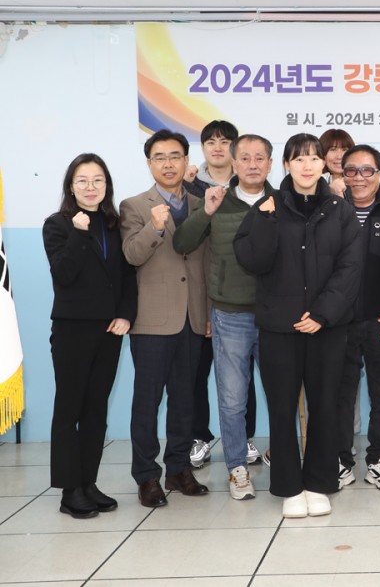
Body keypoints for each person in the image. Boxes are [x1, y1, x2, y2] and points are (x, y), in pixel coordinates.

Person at [234, 133, 363, 518]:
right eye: (299, 159)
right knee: (282, 408)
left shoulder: (340, 210)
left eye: (314, 158)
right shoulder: (268, 206)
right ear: (286, 165)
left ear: (324, 164)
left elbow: (351, 267)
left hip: (327, 327)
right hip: (280, 327)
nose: (307, 166)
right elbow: (252, 260)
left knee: (325, 407)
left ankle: (319, 484)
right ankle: (289, 486)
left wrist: (322, 313)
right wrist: (265, 219)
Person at [172, 134, 276, 501]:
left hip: (275, 317)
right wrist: (206, 212)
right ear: (234, 163)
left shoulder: (282, 202)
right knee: (232, 399)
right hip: (230, 315)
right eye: (245, 157)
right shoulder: (215, 200)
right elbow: (182, 243)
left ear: (270, 164)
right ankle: (237, 468)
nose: (252, 164)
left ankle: (284, 458)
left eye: (259, 158)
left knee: (281, 395)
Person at [43, 154, 137, 518]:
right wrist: (79, 234)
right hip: (72, 330)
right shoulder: (57, 225)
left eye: (98, 180)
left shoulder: (113, 224)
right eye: (82, 180)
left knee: (96, 409)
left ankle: (88, 482)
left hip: (109, 331)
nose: (90, 187)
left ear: (106, 185)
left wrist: (126, 314)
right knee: (70, 409)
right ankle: (70, 491)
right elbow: (63, 274)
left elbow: (127, 276)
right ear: (71, 186)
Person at [120, 129, 211, 508]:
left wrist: (208, 313)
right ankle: (146, 476)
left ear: (187, 161)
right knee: (147, 401)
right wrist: (154, 227)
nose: (168, 164)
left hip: (193, 317)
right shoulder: (134, 206)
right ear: (149, 163)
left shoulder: (203, 204)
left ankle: (178, 468)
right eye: (160, 157)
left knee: (185, 400)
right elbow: (131, 255)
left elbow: (208, 264)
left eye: (175, 156)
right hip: (152, 321)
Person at [335, 144, 380, 492]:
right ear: (342, 174)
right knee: (340, 395)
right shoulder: (332, 208)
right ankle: (339, 460)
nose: (359, 178)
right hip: (339, 321)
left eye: (367, 171)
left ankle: (379, 459)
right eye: (352, 170)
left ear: (379, 174)